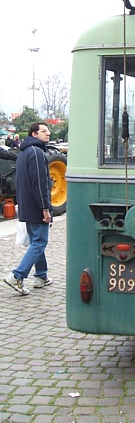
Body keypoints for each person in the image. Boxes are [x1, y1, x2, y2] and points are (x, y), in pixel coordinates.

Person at [3, 122, 53, 296]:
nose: (48, 134)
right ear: (34, 134)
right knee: (39, 242)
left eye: (48, 131)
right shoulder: (37, 153)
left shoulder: (24, 153)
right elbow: (39, 183)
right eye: (44, 131)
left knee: (35, 242)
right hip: (37, 206)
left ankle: (41, 276)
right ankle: (17, 275)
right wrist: (45, 208)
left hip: (26, 205)